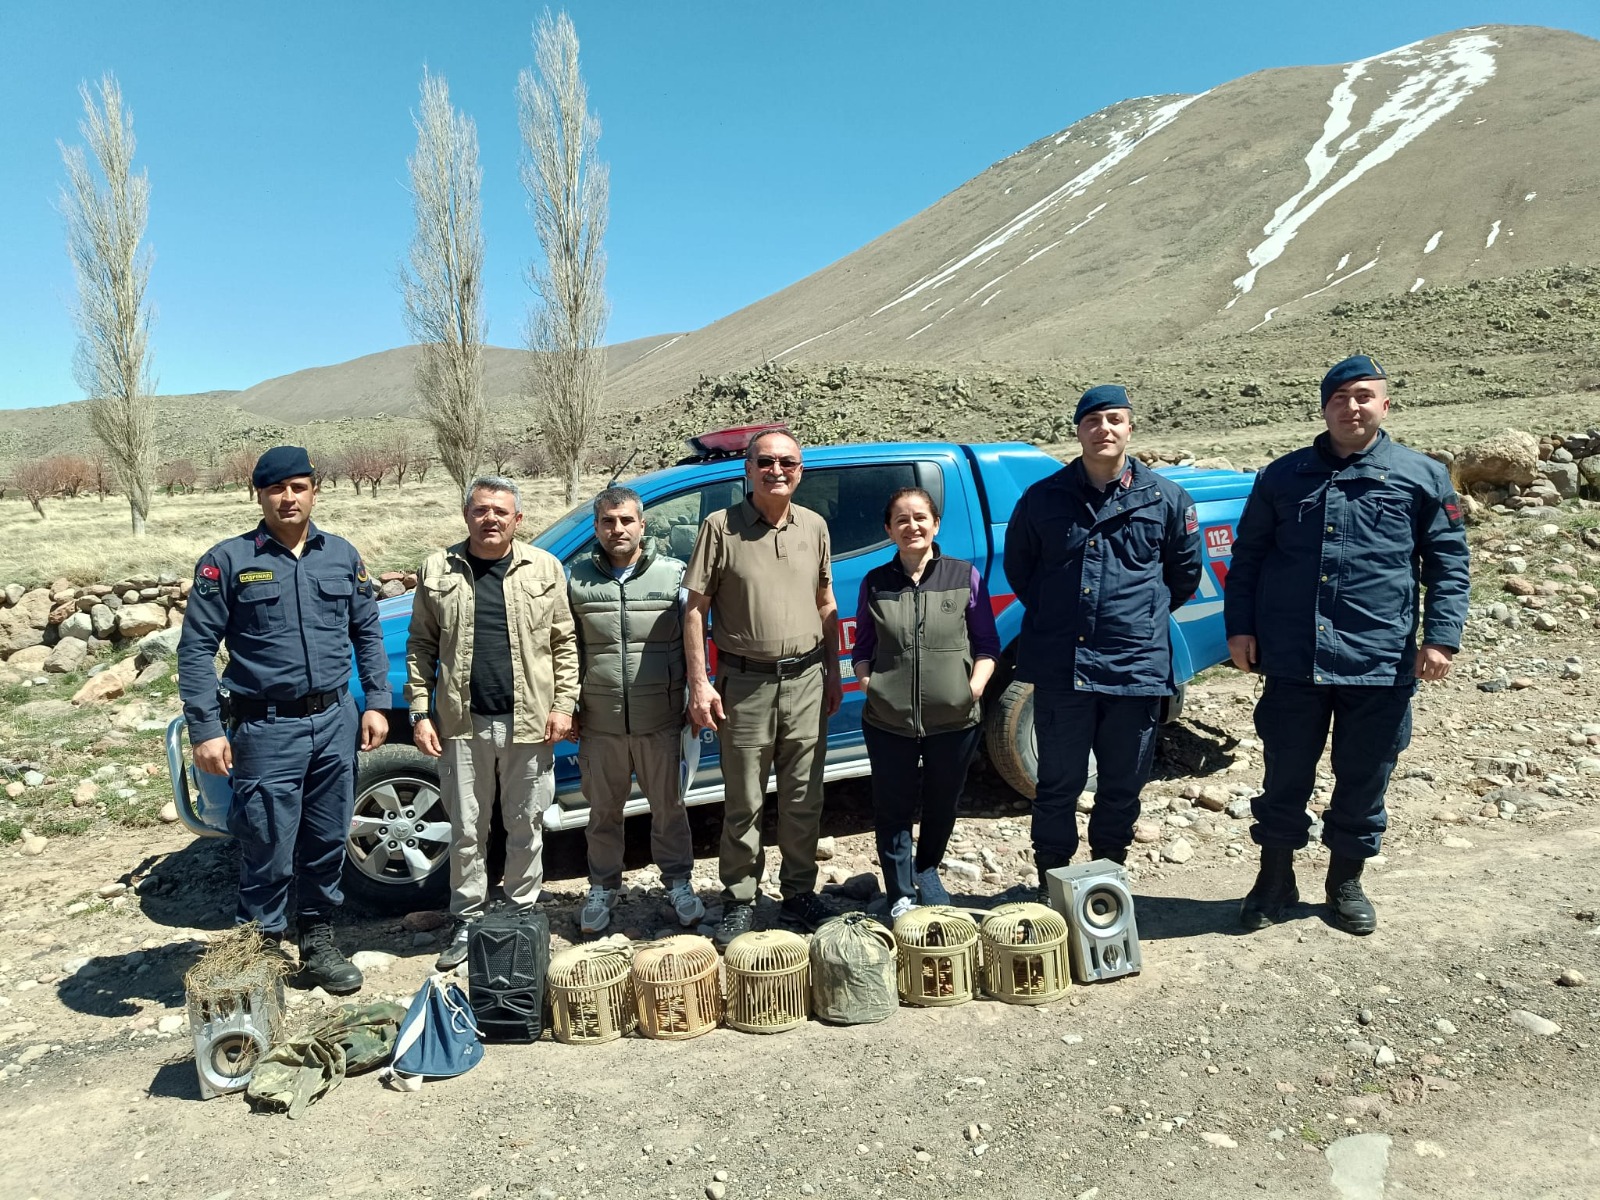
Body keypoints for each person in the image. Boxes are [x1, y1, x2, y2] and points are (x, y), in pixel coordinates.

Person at [1224, 355, 1470, 935]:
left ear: (1385, 404)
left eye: (1364, 396)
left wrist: (1441, 638)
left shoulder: (1422, 475)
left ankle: (1345, 882)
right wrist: (1240, 629)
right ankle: (1274, 879)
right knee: (1285, 774)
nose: (1351, 406)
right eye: (1340, 397)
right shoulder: (1281, 477)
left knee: (1364, 775)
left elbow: (1449, 564)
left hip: (1379, 659)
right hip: (1293, 657)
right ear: (1324, 406)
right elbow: (1249, 559)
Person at [178, 445, 390, 994]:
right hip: (266, 727)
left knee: (325, 836)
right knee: (267, 840)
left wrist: (376, 703)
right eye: (276, 488)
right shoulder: (226, 561)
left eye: (298, 486)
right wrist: (204, 729)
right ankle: (263, 950)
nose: (288, 497)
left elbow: (366, 632)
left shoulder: (341, 556)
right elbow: (196, 650)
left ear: (314, 490)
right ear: (260, 495)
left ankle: (318, 941)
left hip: (335, 720)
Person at [1003, 385, 1203, 899]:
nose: (1104, 429)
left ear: (1129, 427)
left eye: (1115, 419)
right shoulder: (1043, 498)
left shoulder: (1165, 499)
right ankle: (1052, 882)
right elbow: (1021, 571)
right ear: (1079, 430)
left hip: (1133, 669)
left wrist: (1132, 621)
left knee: (1121, 786)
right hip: (1062, 667)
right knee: (1057, 787)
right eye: (1093, 420)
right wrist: (1062, 613)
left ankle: (1106, 880)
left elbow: (1182, 577)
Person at [405, 475, 579, 971]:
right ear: (466, 515)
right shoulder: (438, 569)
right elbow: (420, 646)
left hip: (528, 722)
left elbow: (565, 643)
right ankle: (467, 918)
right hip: (462, 723)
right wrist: (420, 711)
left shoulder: (544, 567)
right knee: (466, 828)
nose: (491, 519)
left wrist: (564, 704)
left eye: (501, 512)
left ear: (518, 519)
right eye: (481, 510)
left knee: (525, 823)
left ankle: (523, 911)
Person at [683, 428, 843, 945]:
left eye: (788, 463)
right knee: (744, 800)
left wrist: (833, 673)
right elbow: (694, 609)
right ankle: (740, 898)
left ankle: (798, 893)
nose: (778, 471)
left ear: (801, 470)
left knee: (804, 799)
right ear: (747, 469)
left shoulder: (814, 526)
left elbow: (825, 603)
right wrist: (700, 684)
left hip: (806, 681)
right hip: (744, 687)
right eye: (767, 462)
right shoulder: (720, 527)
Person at [853, 487, 1001, 920]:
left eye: (921, 517)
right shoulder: (875, 582)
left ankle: (928, 867)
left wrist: (972, 688)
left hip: (954, 717)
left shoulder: (963, 575)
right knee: (892, 804)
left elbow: (987, 644)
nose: (911, 526)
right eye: (901, 519)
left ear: (936, 525)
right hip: (887, 719)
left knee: (943, 799)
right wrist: (870, 685)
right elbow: (861, 647)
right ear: (888, 529)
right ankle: (899, 890)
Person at [568, 485, 703, 934]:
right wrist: (567, 705)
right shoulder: (576, 581)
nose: (617, 528)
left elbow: (696, 642)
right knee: (602, 812)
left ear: (642, 524)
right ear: (597, 527)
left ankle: (679, 883)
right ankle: (603, 888)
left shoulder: (674, 576)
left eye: (626, 520)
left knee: (669, 808)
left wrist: (695, 695)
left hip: (660, 720)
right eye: (608, 521)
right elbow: (565, 650)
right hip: (600, 723)